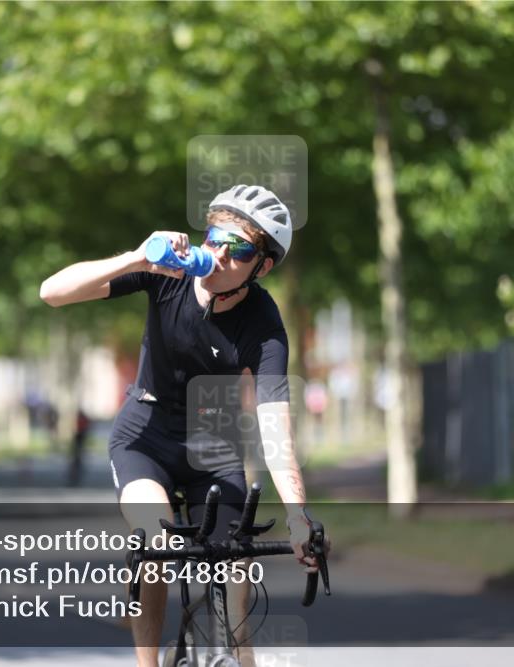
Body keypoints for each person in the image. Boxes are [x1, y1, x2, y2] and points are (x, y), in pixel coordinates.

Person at [40, 184, 325, 667]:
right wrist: (137, 259)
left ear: (263, 266)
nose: (218, 254)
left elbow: (276, 432)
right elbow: (52, 292)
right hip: (143, 439)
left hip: (213, 447)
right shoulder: (167, 273)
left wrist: (299, 518)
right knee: (157, 546)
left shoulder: (264, 325)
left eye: (238, 250)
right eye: (214, 238)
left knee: (238, 566)